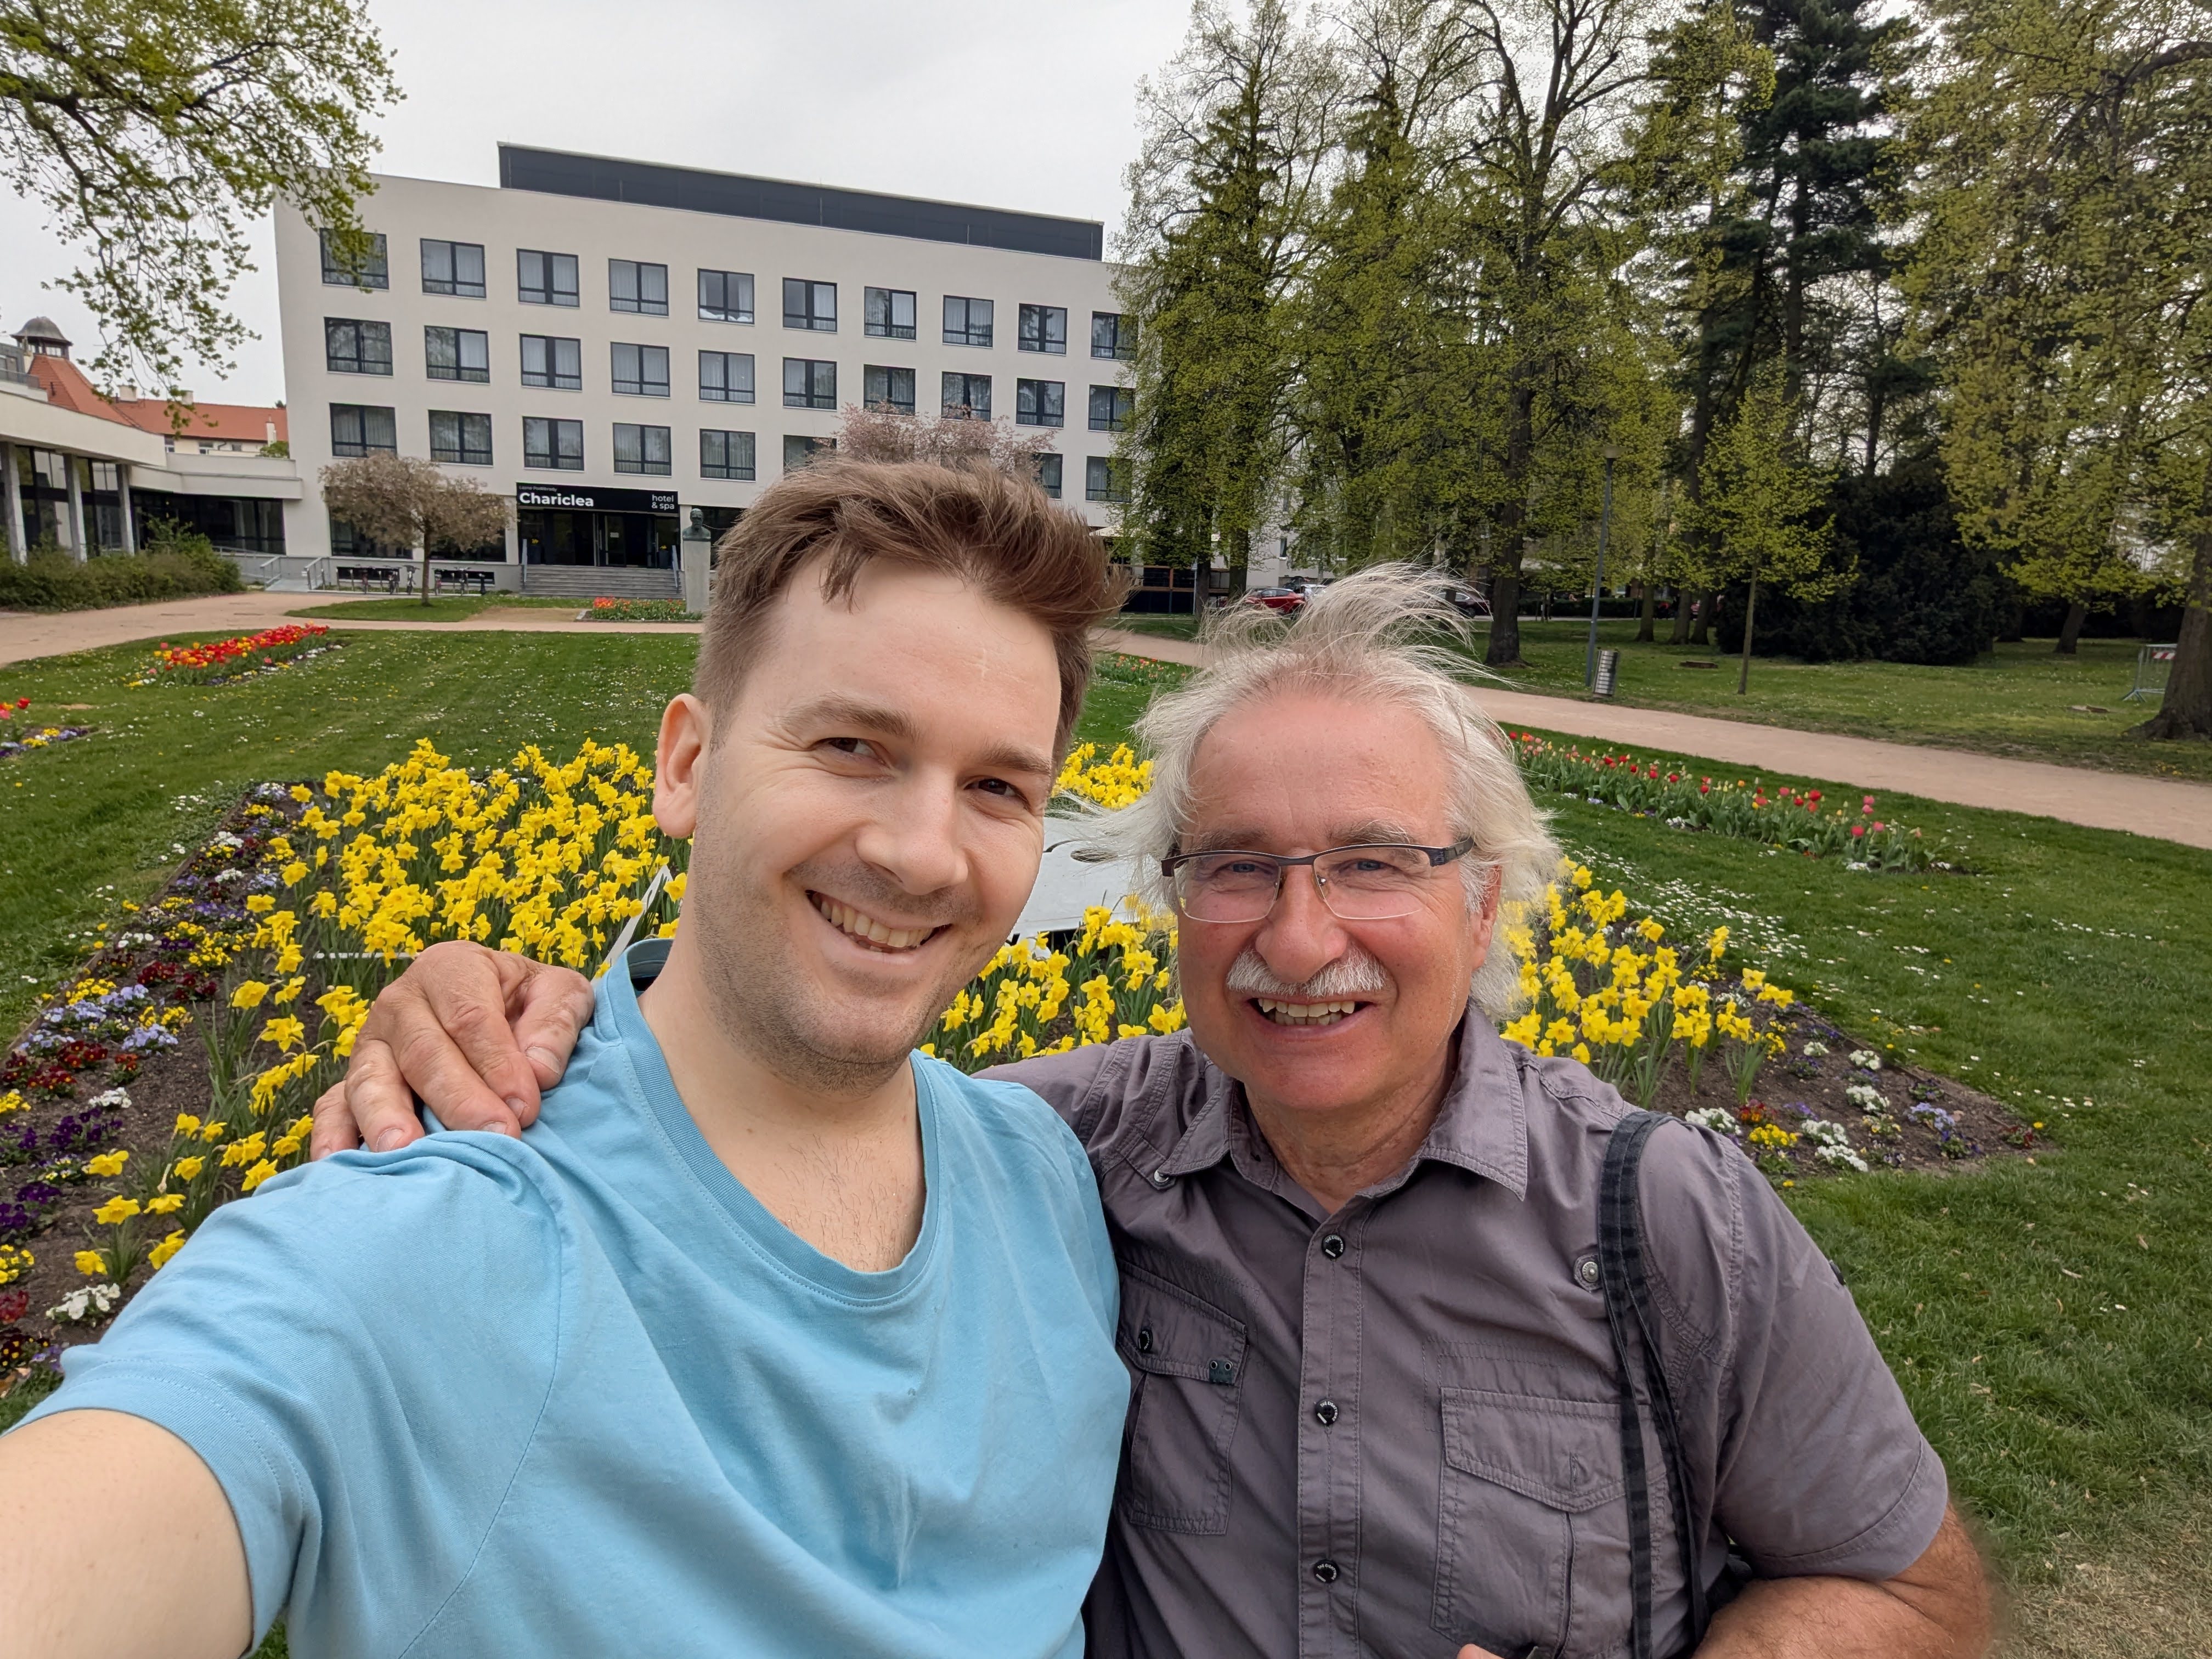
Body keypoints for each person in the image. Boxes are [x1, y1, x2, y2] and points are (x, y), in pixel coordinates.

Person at [318, 566, 1994, 1659]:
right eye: (1236, 866)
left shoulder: (1664, 1218)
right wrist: (514, 1016)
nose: (1298, 934)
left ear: (1485, 906)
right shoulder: (1053, 1159)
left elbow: (1917, 1589)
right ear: (1165, 902)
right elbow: (775, 1109)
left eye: (1373, 865)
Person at [0, 461, 1135, 1659]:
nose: (921, 855)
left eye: (999, 787)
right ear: (687, 767)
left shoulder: (1051, 1183)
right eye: (853, 744)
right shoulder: (440, 1235)